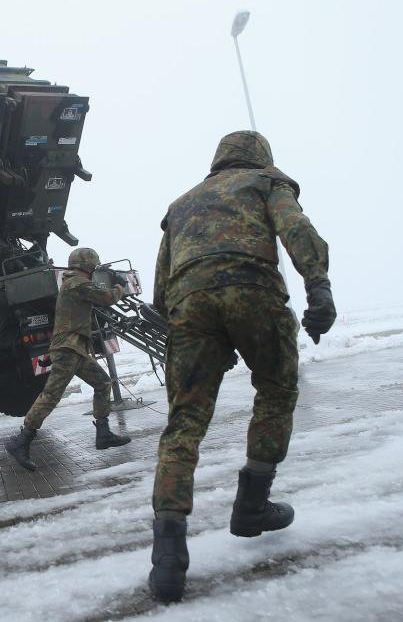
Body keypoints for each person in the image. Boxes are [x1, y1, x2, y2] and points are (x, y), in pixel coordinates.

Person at [147, 131, 336, 602]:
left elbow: (158, 290)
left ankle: (168, 560)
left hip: (189, 304)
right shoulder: (265, 181)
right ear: (260, 156)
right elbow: (296, 230)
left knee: (183, 423)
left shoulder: (181, 204)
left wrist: (198, 330)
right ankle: (251, 505)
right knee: (275, 390)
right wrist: (319, 289)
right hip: (253, 289)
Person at [5, 247, 132, 471]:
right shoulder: (76, 283)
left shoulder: (75, 282)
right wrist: (120, 284)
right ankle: (21, 442)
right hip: (67, 349)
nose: (94, 270)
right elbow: (107, 297)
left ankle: (103, 433)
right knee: (51, 396)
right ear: (87, 265)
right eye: (93, 266)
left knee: (102, 383)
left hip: (76, 349)